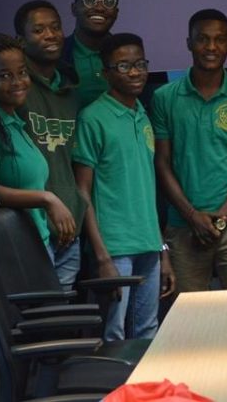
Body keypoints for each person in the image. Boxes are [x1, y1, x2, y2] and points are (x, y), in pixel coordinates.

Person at [153, 10, 227, 292]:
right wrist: (192, 216)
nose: (211, 47)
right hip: (183, 227)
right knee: (188, 317)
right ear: (189, 43)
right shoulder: (164, 97)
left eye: (220, 39)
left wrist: (223, 218)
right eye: (202, 39)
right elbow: (162, 163)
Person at [74, 33, 175, 339]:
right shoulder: (93, 117)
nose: (135, 72)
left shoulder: (142, 114)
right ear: (106, 73)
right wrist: (101, 256)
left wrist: (162, 250)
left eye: (140, 64)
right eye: (124, 66)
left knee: (148, 331)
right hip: (114, 248)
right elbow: (82, 192)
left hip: (149, 244)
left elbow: (146, 190)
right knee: (114, 335)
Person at [0, 33, 75, 260]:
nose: (17, 82)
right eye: (5, 75)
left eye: (22, 72)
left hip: (38, 243)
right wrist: (46, 198)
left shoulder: (13, 121)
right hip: (13, 252)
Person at [14, 0, 89, 288]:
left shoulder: (72, 93)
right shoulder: (17, 90)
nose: (50, 35)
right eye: (39, 30)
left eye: (55, 27)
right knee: (36, 309)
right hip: (31, 228)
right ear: (22, 41)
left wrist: (76, 209)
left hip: (69, 228)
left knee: (64, 310)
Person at [62, 0, 120, 107]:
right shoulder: (58, 55)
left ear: (116, 13)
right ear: (74, 8)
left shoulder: (125, 55)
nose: (99, 8)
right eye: (90, 0)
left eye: (108, 2)